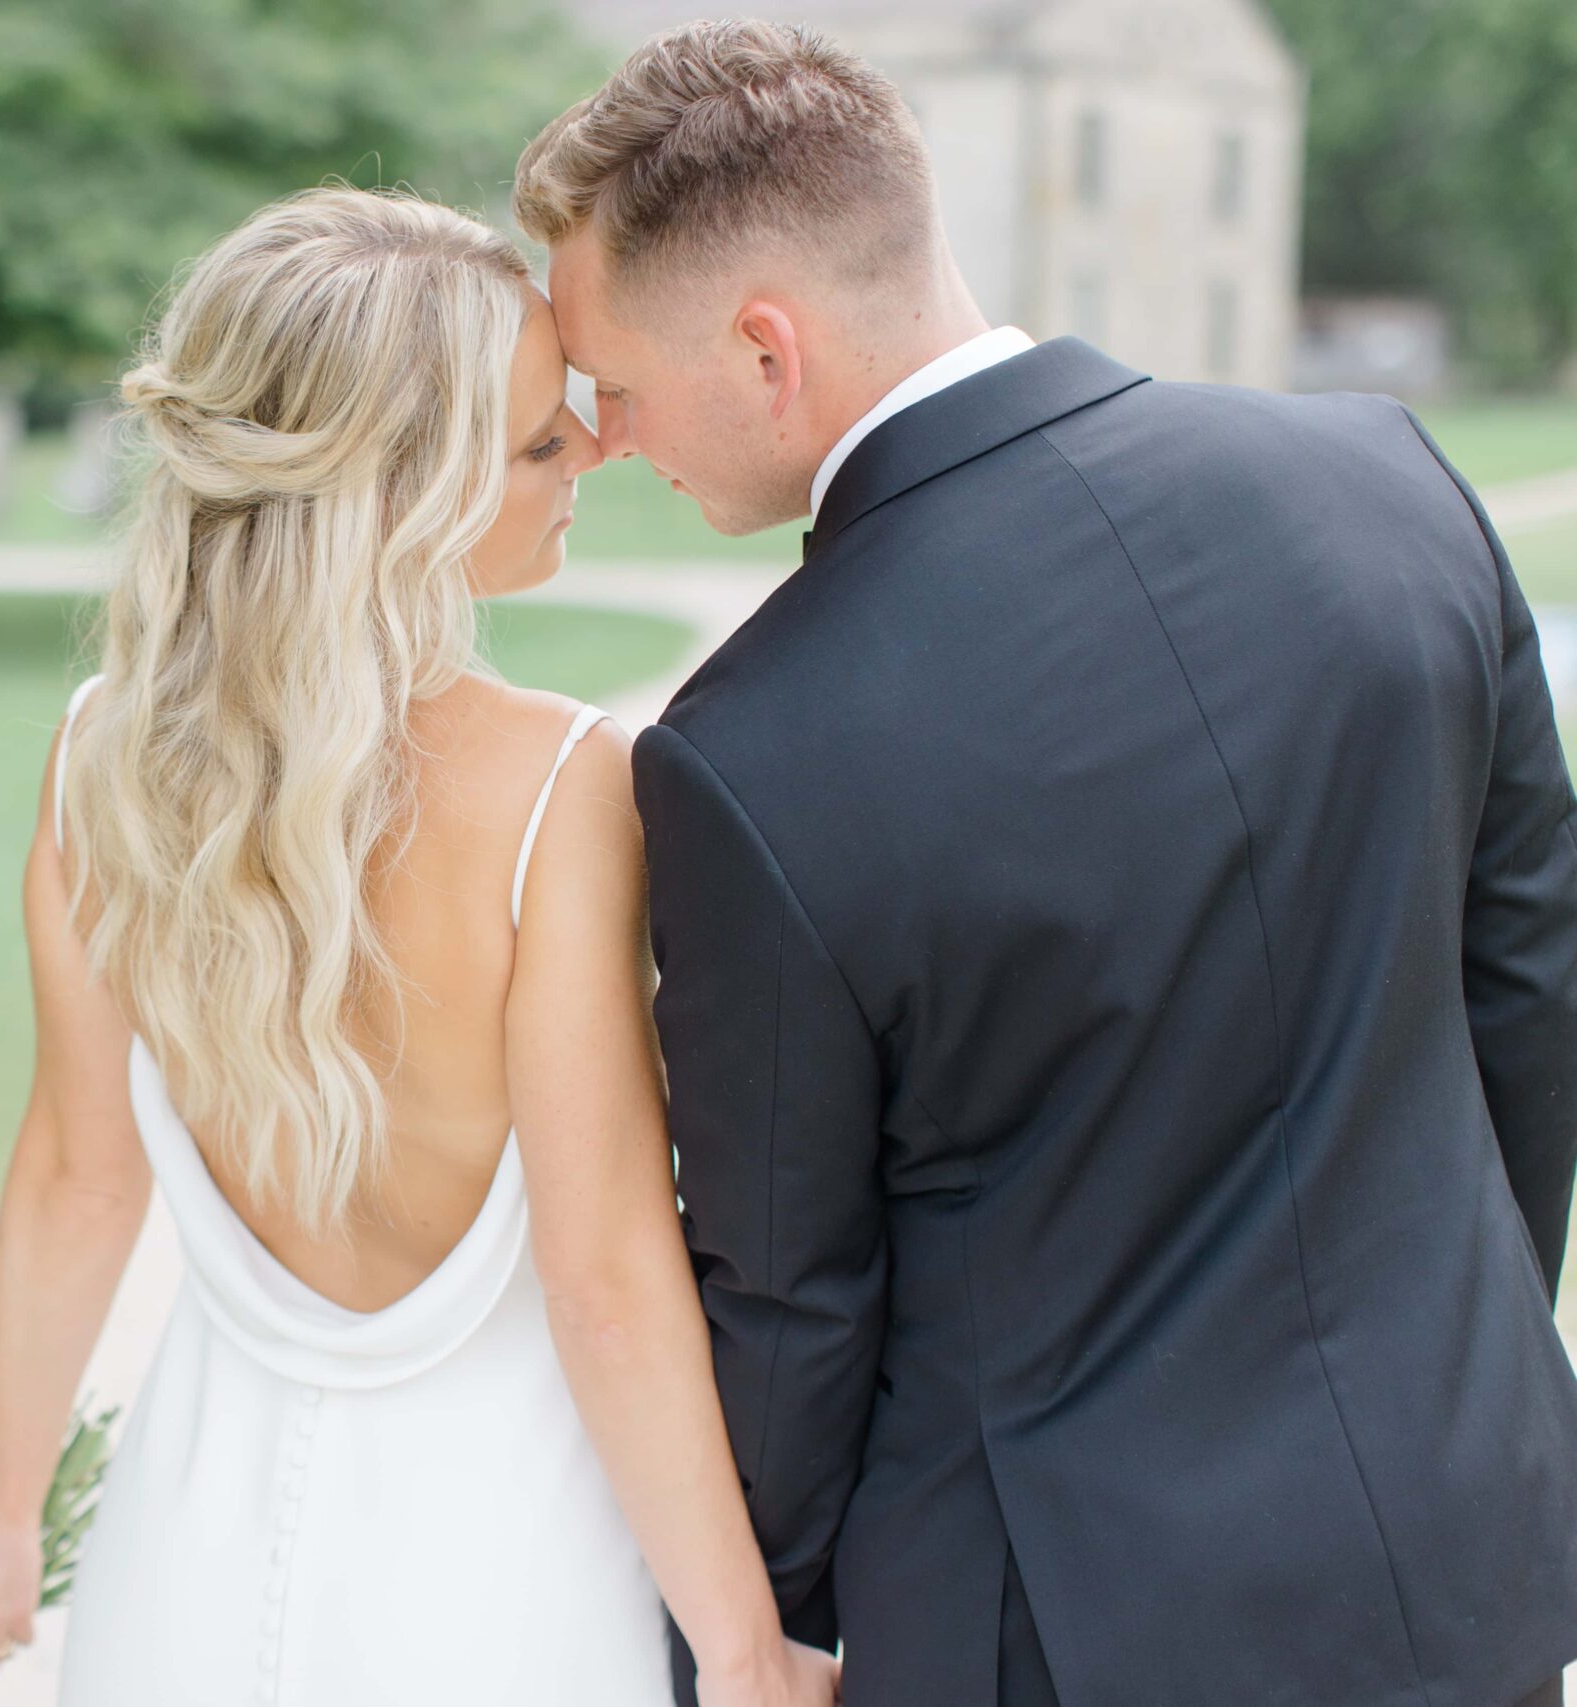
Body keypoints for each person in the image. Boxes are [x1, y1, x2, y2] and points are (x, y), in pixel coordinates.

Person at [515, 19, 1577, 1707]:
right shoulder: (1389, 483)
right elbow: (1527, 997)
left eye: (620, 387)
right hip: (1464, 1556)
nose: (616, 437)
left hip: (1061, 1642)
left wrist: (754, 1639)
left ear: (767, 348)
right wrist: (1454, 1375)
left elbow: (794, 1296)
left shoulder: (750, 753)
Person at [0, 186, 837, 1707]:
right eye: (542, 440)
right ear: (401, 492)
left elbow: (79, 1175)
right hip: (501, 1588)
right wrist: (744, 1655)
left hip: (178, 1583)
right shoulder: (560, 790)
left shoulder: (101, 759)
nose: (595, 449)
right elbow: (603, 1276)